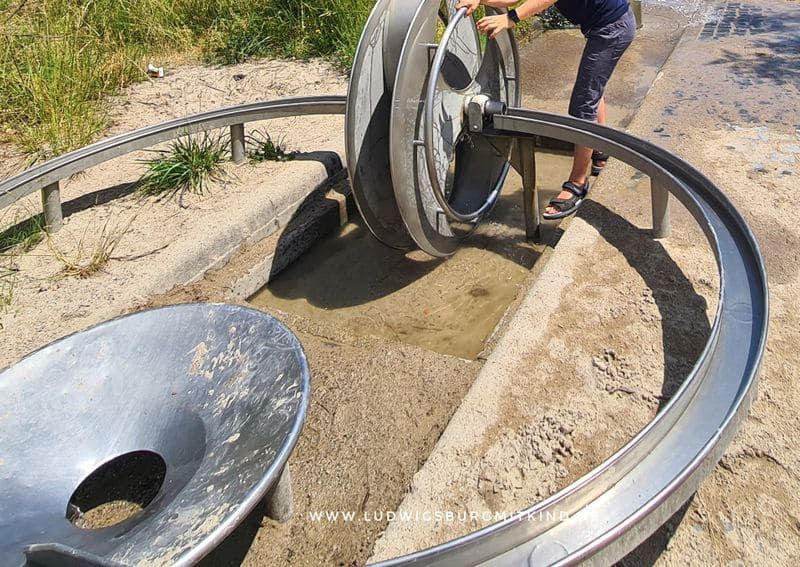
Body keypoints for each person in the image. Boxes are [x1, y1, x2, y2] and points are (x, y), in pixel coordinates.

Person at [456, 0, 636, 219]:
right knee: (592, 88)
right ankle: (599, 151)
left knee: (582, 105)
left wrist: (510, 18)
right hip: (605, 26)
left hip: (612, 28)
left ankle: (578, 183)